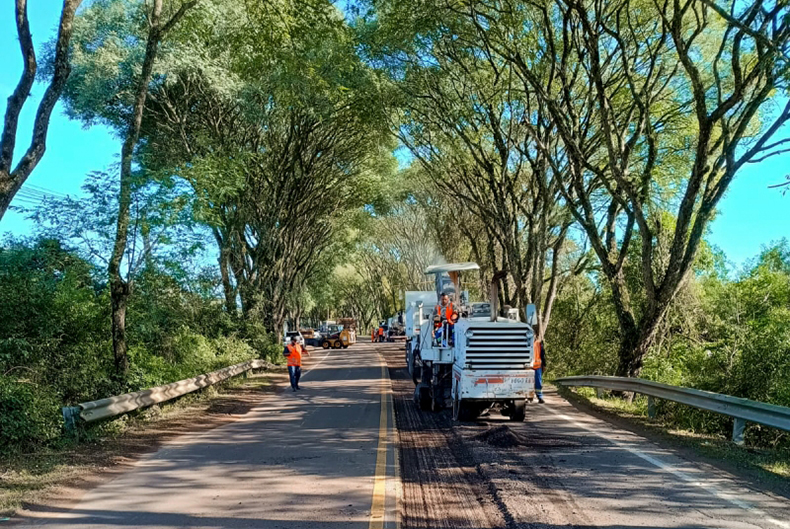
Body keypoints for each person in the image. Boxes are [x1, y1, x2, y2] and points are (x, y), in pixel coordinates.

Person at [533, 338, 546, 403]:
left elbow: (542, 354)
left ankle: (540, 397)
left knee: (538, 383)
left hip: (537, 365)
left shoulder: (539, 343)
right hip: (530, 365)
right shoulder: (538, 342)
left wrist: (544, 364)